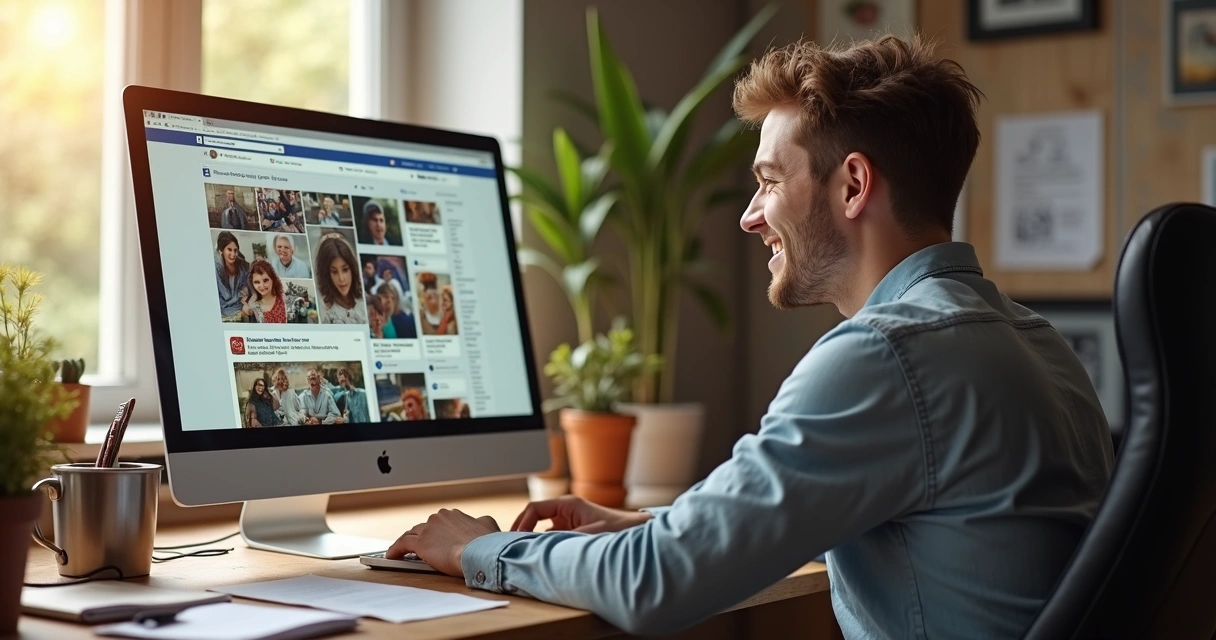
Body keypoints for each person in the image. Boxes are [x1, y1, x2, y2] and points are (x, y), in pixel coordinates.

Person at [385, 36, 1115, 639]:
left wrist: (478, 549)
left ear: (853, 185)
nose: (750, 216)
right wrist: (652, 523)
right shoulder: (1040, 347)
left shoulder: (885, 359)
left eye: (769, 181)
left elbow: (656, 585)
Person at [314, 233, 367, 324]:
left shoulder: (364, 300)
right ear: (327, 275)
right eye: (334, 272)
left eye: (345, 270)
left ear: (352, 269)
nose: (341, 278)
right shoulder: (326, 314)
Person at [242, 259, 298, 324]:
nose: (262, 286)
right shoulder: (253, 308)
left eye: (265, 280)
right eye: (257, 282)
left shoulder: (286, 300)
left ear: (273, 279)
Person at [213, 231, 250, 321]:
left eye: (235, 250)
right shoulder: (215, 268)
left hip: (240, 303)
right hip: (223, 308)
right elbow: (225, 296)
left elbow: (246, 288)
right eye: (229, 249)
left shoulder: (243, 267)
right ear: (222, 250)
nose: (233, 254)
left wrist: (246, 297)